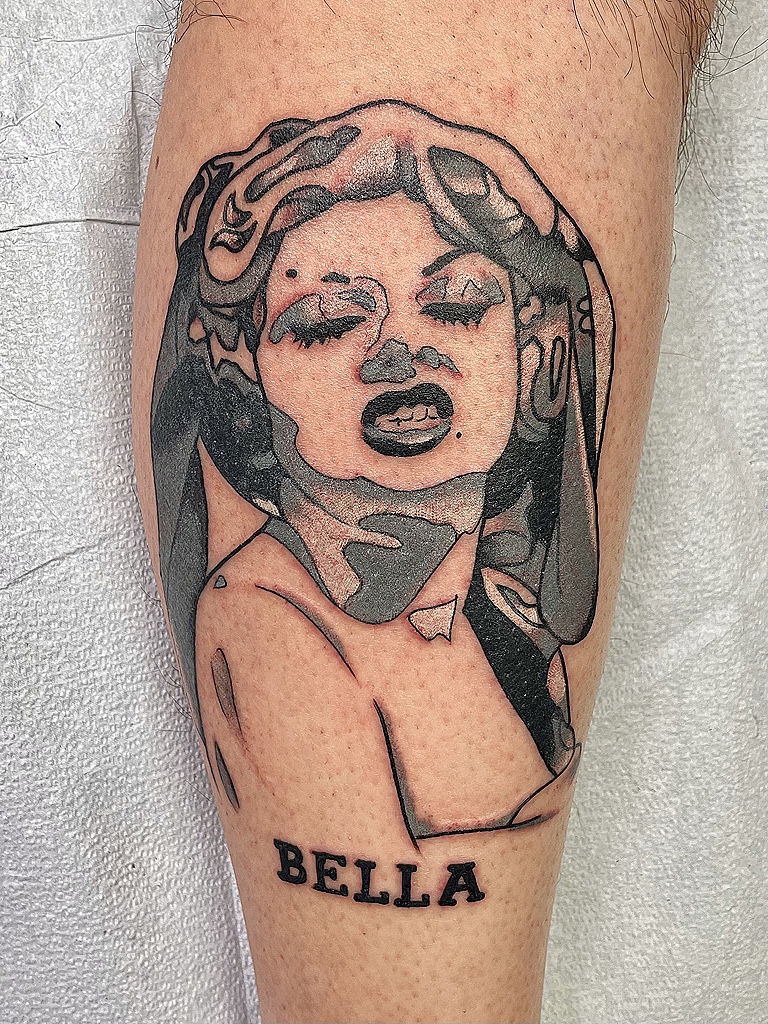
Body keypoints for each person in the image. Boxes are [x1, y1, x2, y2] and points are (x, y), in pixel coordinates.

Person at [133, 2, 714, 1019]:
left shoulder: (502, 610)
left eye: (456, 304)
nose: (401, 354)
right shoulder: (277, 619)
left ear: (533, 353)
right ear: (243, 374)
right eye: (327, 321)